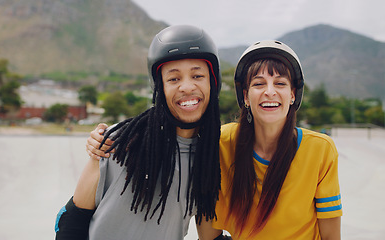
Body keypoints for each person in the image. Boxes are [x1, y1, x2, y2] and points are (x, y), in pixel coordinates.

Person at [87, 40, 343, 239]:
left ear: (293, 95)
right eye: (258, 83)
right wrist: (109, 137)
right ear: (245, 96)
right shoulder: (219, 143)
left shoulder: (319, 149)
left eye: (280, 83)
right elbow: (208, 233)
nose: (269, 91)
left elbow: (331, 235)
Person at [55, 25, 227, 240]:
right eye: (173, 79)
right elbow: (71, 220)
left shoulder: (209, 160)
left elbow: (211, 236)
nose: (186, 87)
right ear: (159, 88)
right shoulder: (116, 143)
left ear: (213, 82)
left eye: (197, 75)